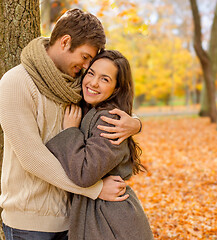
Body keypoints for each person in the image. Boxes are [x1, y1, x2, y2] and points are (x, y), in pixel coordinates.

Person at [0, 9, 141, 239]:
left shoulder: (77, 84)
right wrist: (95, 189)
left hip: (73, 220)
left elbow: (110, 103)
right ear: (65, 42)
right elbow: (32, 158)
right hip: (30, 224)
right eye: (85, 57)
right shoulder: (16, 82)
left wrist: (136, 124)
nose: (87, 67)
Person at [46, 50, 154, 240]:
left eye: (105, 79)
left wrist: (70, 131)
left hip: (110, 222)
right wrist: (137, 123)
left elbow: (85, 174)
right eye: (91, 73)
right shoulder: (90, 109)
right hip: (98, 215)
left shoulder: (109, 119)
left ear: (117, 88)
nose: (94, 83)